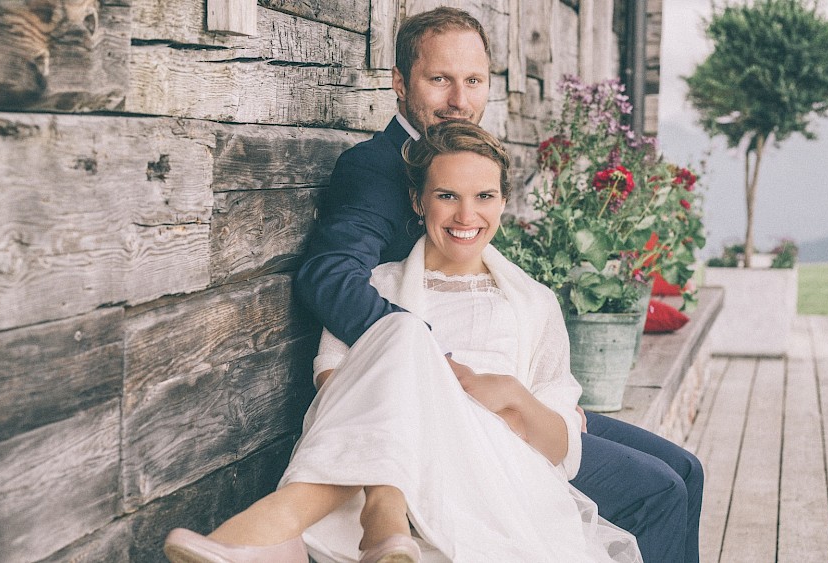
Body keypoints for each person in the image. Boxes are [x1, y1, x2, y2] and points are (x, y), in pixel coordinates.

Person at [293, 7, 703, 563]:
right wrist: (429, 360)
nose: (459, 98)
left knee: (685, 468)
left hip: (496, 383)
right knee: (658, 492)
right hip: (445, 409)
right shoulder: (377, 168)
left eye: (474, 81)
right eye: (439, 79)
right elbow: (331, 274)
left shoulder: (462, 154)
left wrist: (542, 400)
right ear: (398, 82)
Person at [165, 120, 643, 563]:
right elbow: (333, 389)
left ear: (502, 203)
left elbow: (563, 448)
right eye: (447, 195)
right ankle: (385, 510)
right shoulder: (378, 288)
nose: (466, 214)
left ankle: (289, 523)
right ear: (418, 201)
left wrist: (511, 393)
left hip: (494, 477)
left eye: (484, 196)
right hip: (390, 457)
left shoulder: (534, 303)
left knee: (403, 331)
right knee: (403, 329)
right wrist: (431, 382)